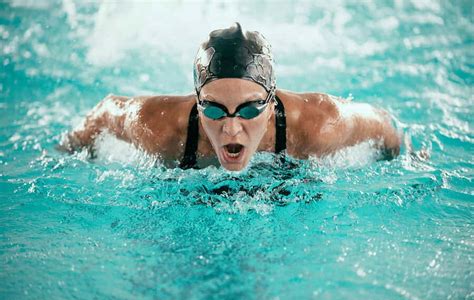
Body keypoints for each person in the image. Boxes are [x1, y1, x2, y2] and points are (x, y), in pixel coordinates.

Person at [60, 23, 400, 171]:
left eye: (250, 110)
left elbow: (384, 126)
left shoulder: (319, 124)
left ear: (270, 104)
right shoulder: (159, 129)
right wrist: (67, 151)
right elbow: (105, 112)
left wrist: (410, 161)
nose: (232, 129)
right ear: (196, 101)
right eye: (213, 108)